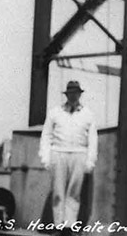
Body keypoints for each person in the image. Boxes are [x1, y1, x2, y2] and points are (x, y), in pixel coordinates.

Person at [39, 80, 98, 234]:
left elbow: (92, 140)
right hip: (58, 153)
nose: (73, 96)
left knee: (74, 192)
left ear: (80, 94)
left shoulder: (88, 114)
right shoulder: (54, 113)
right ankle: (58, 225)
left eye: (76, 93)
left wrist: (90, 161)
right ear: (67, 94)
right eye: (70, 93)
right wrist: (46, 158)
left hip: (79, 154)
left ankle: (69, 226)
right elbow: (46, 135)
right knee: (58, 191)